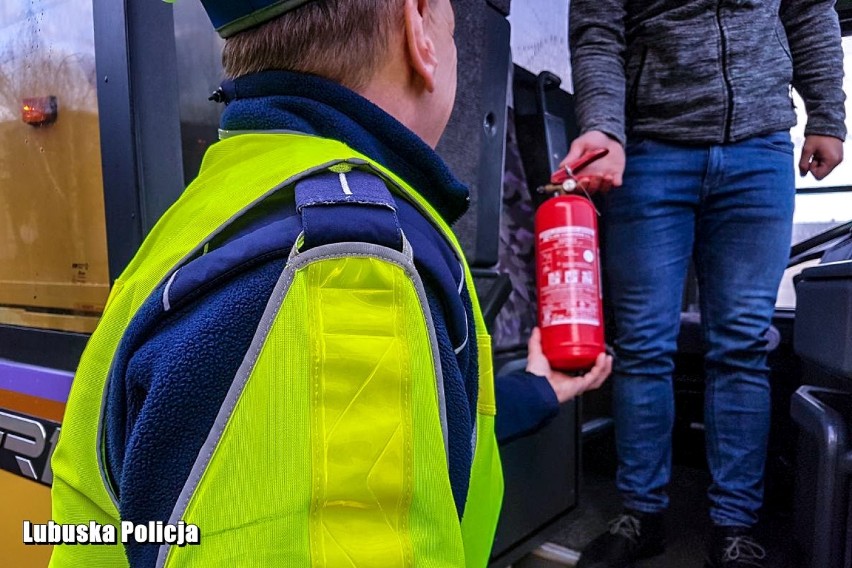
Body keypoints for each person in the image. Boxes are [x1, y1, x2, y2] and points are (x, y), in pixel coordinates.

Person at [50, 1, 611, 566]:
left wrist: (537, 391)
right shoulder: (344, 269)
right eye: (451, 23)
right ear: (418, 26)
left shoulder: (210, 213)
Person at [565, 1, 845, 567]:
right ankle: (641, 513)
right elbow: (598, 28)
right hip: (648, 148)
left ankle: (734, 527)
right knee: (643, 344)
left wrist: (827, 117)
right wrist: (602, 126)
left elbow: (810, 10)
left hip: (759, 146)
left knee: (742, 344)